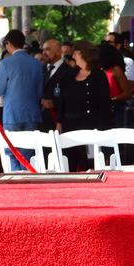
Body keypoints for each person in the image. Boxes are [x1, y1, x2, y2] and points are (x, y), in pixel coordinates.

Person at [55, 41, 111, 171]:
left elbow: (104, 104)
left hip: (91, 126)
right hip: (70, 126)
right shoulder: (69, 75)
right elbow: (62, 100)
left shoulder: (98, 75)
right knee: (69, 162)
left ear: (84, 54)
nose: (73, 56)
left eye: (76, 53)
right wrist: (59, 121)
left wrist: (102, 130)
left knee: (90, 163)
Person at [0, 29, 43, 170]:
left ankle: (16, 178)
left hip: (12, 113)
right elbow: (39, 91)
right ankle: (28, 175)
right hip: (32, 112)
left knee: (12, 151)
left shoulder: (5, 63)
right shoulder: (36, 63)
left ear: (8, 43)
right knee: (28, 152)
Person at [40, 38, 74, 132]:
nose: (44, 53)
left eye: (48, 49)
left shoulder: (68, 71)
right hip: (40, 121)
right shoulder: (41, 69)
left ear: (59, 51)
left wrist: (60, 120)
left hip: (58, 121)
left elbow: (68, 98)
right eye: (43, 50)